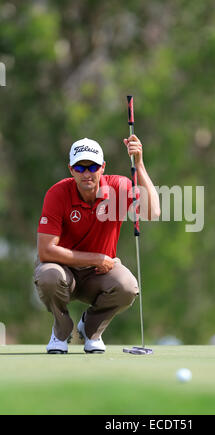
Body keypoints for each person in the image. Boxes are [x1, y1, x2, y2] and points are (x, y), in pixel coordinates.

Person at [34, 135, 160, 354]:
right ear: (71, 169)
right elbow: (45, 251)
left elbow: (153, 212)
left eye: (92, 166)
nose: (86, 173)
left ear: (102, 167)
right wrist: (95, 258)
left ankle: (91, 330)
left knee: (127, 287)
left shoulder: (118, 187)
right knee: (48, 276)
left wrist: (138, 163)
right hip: (63, 270)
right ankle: (61, 332)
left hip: (101, 273)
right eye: (80, 167)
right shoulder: (57, 194)